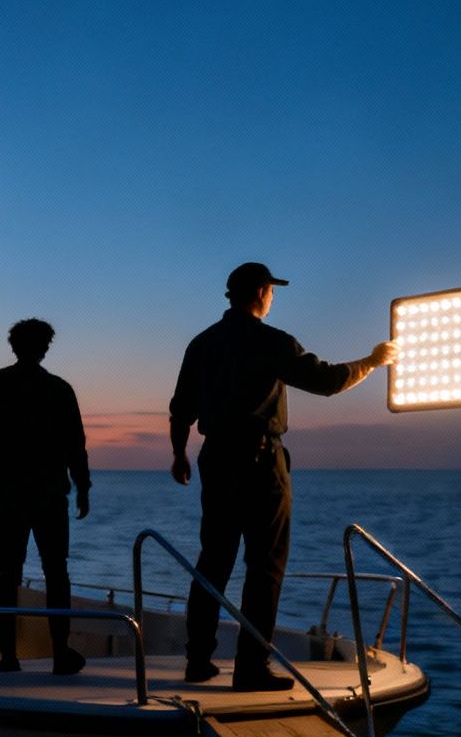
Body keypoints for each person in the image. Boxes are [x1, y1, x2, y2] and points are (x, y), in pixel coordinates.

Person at [168, 262, 397, 691]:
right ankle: (251, 668)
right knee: (265, 567)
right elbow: (327, 381)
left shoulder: (202, 344)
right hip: (259, 461)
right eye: (272, 291)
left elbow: (181, 408)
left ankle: (197, 660)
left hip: (214, 458)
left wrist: (179, 454)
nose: (273, 298)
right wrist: (372, 361)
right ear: (260, 291)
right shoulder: (270, 342)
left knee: (212, 561)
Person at [0, 318, 92, 675]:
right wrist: (82, 485)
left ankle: (8, 657)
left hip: (8, 493)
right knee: (57, 573)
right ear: (44, 347)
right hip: (49, 494)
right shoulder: (58, 390)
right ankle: (60, 653)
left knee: (8, 574)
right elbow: (75, 445)